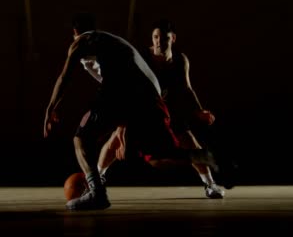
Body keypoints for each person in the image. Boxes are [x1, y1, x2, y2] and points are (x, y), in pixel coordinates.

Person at [43, 13, 217, 211]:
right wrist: (123, 123)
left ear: (75, 33)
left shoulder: (83, 41)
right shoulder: (114, 42)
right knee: (157, 158)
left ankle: (97, 192)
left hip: (128, 91)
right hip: (153, 97)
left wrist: (51, 108)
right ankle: (203, 156)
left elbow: (65, 77)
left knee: (81, 138)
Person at [95, 19, 228, 199]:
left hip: (169, 110)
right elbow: (128, 91)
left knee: (190, 142)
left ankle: (209, 184)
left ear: (172, 38)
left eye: (163, 38)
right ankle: (95, 179)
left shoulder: (180, 60)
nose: (159, 41)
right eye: (155, 37)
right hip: (142, 110)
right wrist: (122, 126)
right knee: (114, 141)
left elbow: (187, 88)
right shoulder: (142, 59)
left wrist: (199, 110)